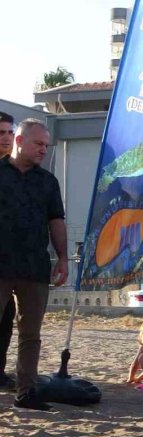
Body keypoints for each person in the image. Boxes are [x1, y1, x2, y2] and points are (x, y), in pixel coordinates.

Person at [0, 119, 68, 411]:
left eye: (46, 146)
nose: (44, 150)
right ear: (19, 141)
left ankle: (26, 392)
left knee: (31, 334)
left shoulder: (48, 181)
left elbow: (56, 221)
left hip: (34, 267)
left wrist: (63, 258)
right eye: (38, 144)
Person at [0, 112, 16, 391]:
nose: (5, 138)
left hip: (10, 261)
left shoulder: (17, 172)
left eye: (9, 133)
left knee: (6, 316)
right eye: (0, 133)